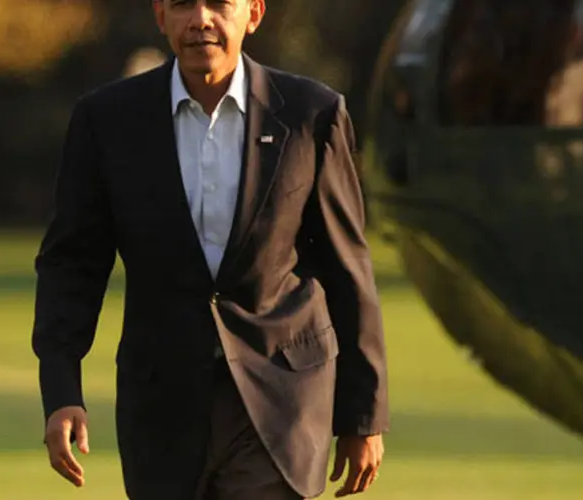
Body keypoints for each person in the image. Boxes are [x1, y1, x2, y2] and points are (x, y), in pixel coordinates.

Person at [31, 0, 389, 499]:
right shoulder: (106, 120)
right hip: (163, 404)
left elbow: (347, 266)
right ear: (160, 16)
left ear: (254, 13)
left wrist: (363, 414)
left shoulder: (313, 114)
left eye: (219, 3)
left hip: (282, 401)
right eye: (182, 4)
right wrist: (61, 390)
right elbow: (72, 265)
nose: (201, 19)